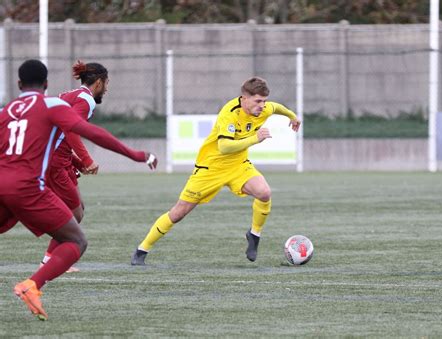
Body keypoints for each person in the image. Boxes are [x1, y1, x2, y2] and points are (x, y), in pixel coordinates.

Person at [0, 59, 158, 320]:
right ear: (47, 84)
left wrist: (74, 160)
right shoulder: (51, 104)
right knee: (76, 240)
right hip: (27, 188)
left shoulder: (6, 111)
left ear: (18, 84)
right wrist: (136, 154)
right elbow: (92, 133)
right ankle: (32, 285)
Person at [131, 76, 300, 265]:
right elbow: (224, 146)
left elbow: (277, 107)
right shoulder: (229, 113)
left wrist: (292, 116)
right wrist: (255, 139)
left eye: (264, 101)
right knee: (178, 213)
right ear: (244, 98)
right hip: (210, 168)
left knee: (264, 193)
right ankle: (142, 250)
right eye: (258, 101)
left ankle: (254, 235)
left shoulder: (264, 108)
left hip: (238, 165)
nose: (262, 105)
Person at [40, 60, 109, 273]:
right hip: (54, 161)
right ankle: (50, 260)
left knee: (78, 208)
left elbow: (60, 132)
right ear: (98, 82)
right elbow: (71, 130)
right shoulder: (86, 99)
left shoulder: (72, 95)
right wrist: (87, 159)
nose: (107, 89)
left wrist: (77, 161)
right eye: (106, 83)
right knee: (73, 212)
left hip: (59, 157)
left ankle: (52, 257)